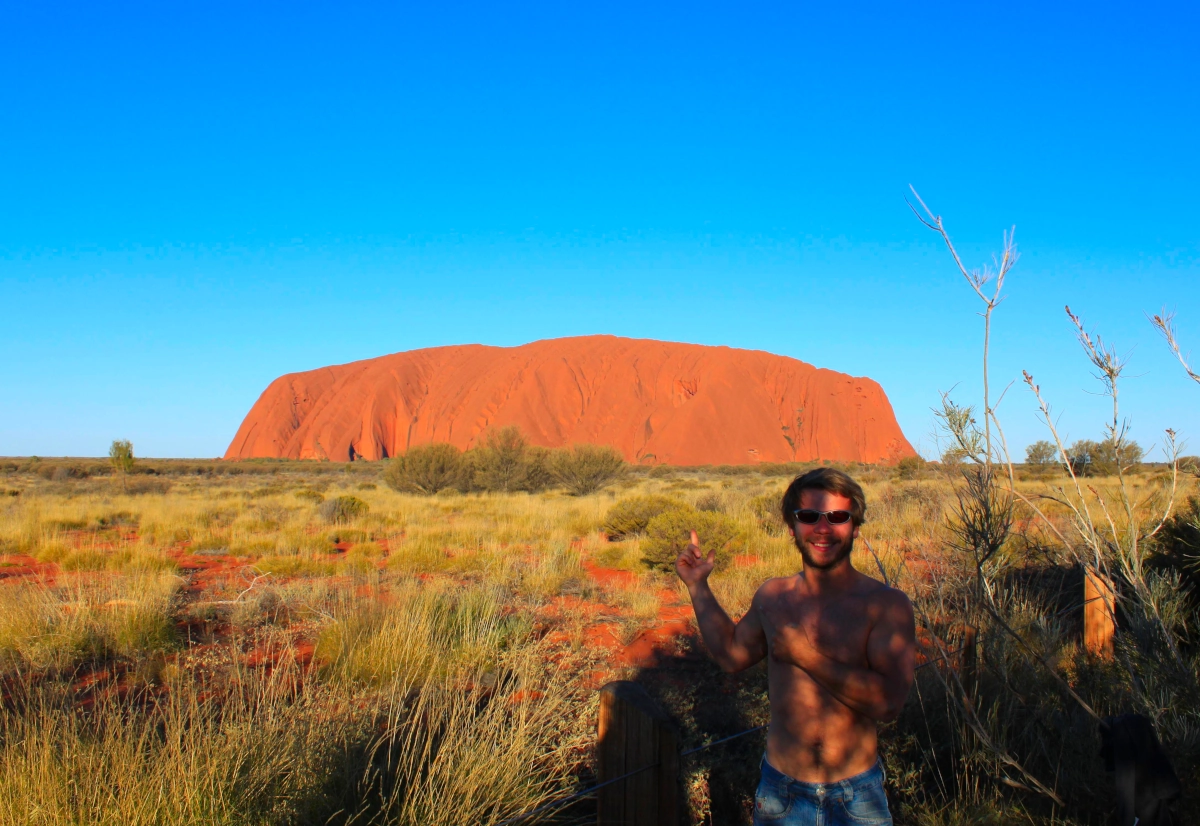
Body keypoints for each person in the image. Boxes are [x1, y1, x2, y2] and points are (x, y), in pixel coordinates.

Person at [675, 468, 915, 825]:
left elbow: (888, 703)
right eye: (808, 516)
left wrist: (806, 656)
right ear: (792, 527)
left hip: (857, 796)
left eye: (837, 517)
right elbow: (730, 656)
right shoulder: (773, 597)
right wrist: (697, 587)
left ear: (855, 527)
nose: (822, 528)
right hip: (782, 794)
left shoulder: (885, 604)